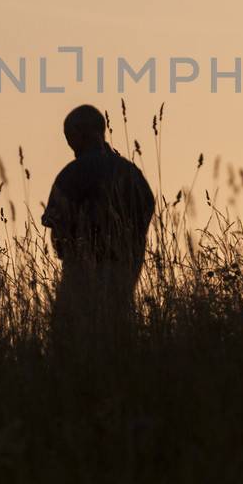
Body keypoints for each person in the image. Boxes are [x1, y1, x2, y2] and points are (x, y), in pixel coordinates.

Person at [41, 105, 156, 350]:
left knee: (69, 332)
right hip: (127, 266)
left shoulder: (74, 172)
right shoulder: (131, 172)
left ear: (80, 133)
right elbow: (147, 210)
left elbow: (57, 221)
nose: (69, 142)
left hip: (84, 268)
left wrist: (69, 250)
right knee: (118, 325)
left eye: (69, 135)